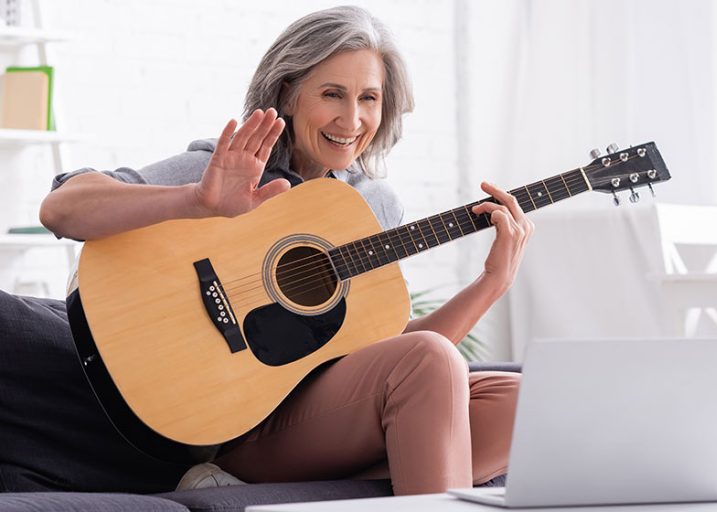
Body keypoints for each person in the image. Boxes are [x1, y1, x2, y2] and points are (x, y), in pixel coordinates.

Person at [39, 6, 533, 496]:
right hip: (237, 421)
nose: (353, 118)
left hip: (325, 418)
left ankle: (253, 491)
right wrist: (196, 200)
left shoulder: (373, 204)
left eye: (369, 98)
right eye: (332, 94)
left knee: (523, 402)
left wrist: (492, 283)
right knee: (429, 359)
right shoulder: (231, 169)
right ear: (288, 95)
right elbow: (62, 209)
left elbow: (390, 353)